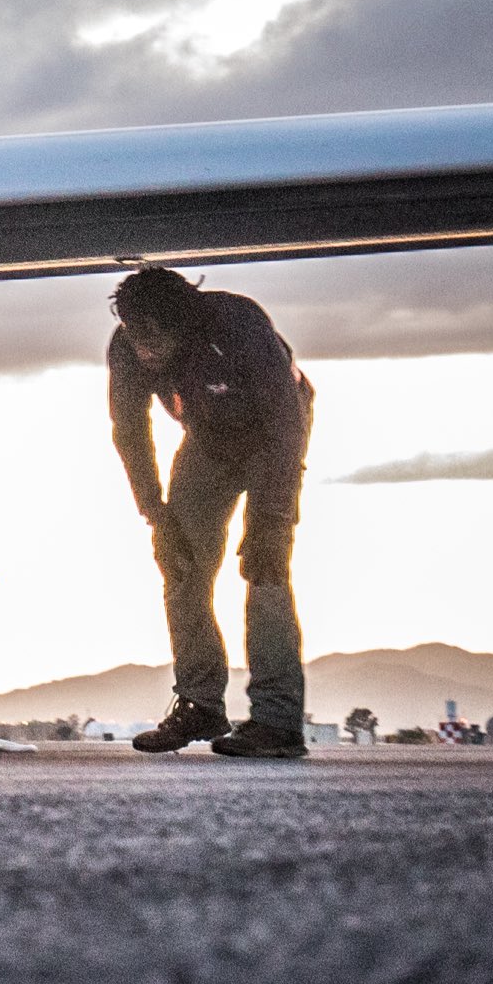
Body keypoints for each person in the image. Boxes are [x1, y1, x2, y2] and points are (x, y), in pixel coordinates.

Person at [108, 266, 316, 759]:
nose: (144, 351)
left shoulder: (236, 324)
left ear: (184, 323)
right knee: (179, 566)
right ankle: (200, 704)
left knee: (264, 568)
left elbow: (285, 424)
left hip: (273, 436)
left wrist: (270, 520)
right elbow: (129, 431)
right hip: (207, 442)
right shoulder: (127, 345)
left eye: (153, 339)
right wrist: (156, 513)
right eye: (136, 337)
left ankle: (277, 722)